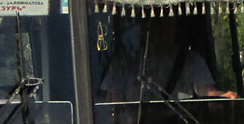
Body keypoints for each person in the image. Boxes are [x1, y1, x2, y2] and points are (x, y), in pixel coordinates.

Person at [98, 14, 236, 102]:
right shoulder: (123, 64)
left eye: (168, 22)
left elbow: (208, 94)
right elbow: (112, 112)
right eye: (157, 23)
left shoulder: (191, 62)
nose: (162, 30)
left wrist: (222, 98)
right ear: (145, 27)